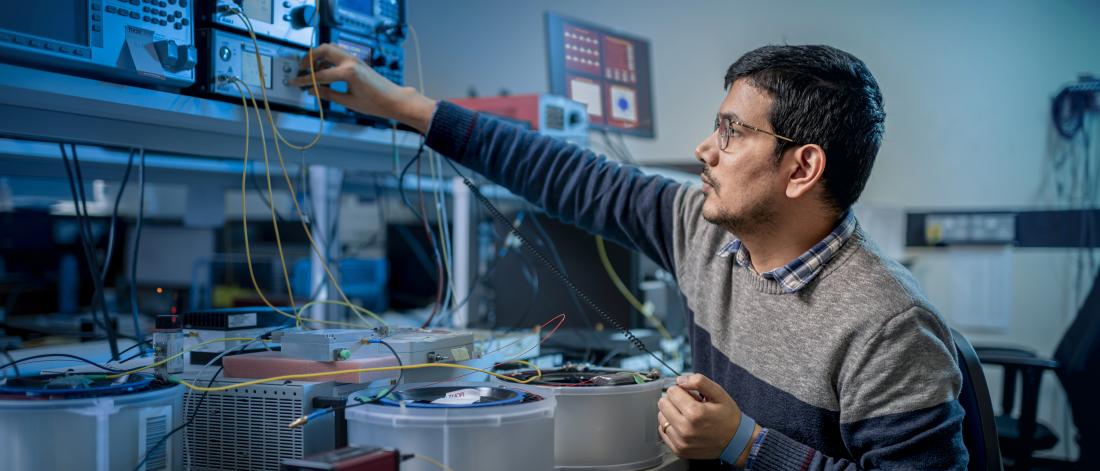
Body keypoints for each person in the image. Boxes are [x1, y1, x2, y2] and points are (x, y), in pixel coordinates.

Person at [292, 43, 967, 469]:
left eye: (732, 131)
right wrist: (402, 106)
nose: (706, 148)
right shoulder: (704, 233)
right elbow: (561, 173)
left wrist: (748, 445)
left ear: (802, 168)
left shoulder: (888, 325)